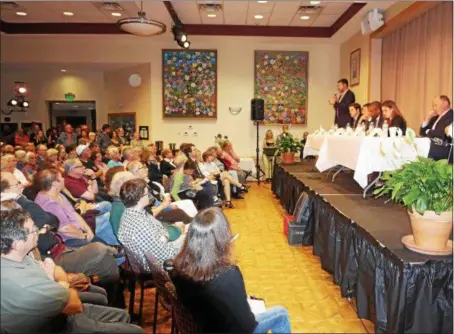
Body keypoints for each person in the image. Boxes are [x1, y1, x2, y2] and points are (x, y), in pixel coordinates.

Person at [0, 208, 143, 334]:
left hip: (59, 315)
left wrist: (55, 281)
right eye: (33, 230)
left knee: (123, 316)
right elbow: (74, 305)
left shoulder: (18, 255)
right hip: (59, 326)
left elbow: (55, 270)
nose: (39, 231)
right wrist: (56, 280)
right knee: (136, 331)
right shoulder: (22, 283)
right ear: (17, 244)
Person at [172, 207, 291, 333]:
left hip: (204, 326)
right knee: (281, 314)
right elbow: (248, 325)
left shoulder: (178, 268)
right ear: (222, 239)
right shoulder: (228, 275)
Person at [34, 168, 118, 248]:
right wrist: (83, 235)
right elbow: (64, 229)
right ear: (54, 183)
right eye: (61, 177)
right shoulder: (49, 203)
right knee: (106, 221)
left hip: (77, 230)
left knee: (103, 234)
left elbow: (73, 213)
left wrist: (87, 230)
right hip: (68, 238)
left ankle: (115, 250)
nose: (63, 179)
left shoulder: (58, 194)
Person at [118, 178, 185, 270]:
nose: (149, 196)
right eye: (147, 194)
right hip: (158, 266)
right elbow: (166, 255)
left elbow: (158, 232)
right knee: (196, 239)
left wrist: (164, 236)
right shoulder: (140, 226)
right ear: (140, 199)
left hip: (157, 251)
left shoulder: (128, 213)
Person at [420, 95, 453, 161]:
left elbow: (443, 134)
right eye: (433, 106)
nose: (434, 108)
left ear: (445, 103)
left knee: (421, 149)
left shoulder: (451, 115)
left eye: (436, 105)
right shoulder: (435, 117)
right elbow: (422, 133)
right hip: (433, 145)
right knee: (415, 145)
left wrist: (428, 131)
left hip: (446, 148)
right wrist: (427, 118)